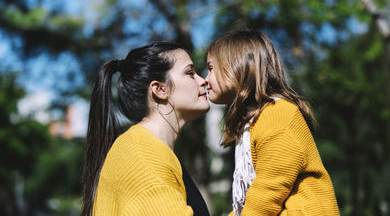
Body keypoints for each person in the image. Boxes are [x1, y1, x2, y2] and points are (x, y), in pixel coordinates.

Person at [205, 30, 340, 216]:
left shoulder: (277, 114)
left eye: (211, 68)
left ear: (236, 65)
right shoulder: (253, 122)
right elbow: (248, 201)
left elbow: (268, 190)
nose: (205, 80)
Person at [81, 42, 211, 216]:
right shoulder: (143, 158)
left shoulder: (149, 150)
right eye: (190, 73)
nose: (203, 81)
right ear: (160, 89)